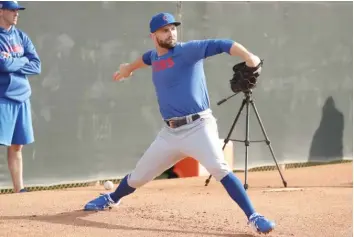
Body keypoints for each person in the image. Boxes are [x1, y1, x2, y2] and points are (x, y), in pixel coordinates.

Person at [84, 12, 275, 234]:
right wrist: (128, 68)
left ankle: (253, 216)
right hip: (170, 133)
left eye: (173, 28)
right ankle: (113, 198)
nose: (171, 32)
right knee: (139, 176)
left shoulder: (187, 51)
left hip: (198, 127)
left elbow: (223, 44)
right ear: (153, 35)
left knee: (220, 168)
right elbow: (145, 59)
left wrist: (248, 56)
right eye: (165, 30)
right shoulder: (154, 57)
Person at [0, 1, 41, 193]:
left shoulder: (21, 36)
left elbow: (36, 65)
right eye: (12, 10)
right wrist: (21, 60)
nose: (17, 14)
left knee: (17, 147)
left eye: (18, 10)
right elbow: (4, 66)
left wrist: (15, 61)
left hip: (22, 97)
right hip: (2, 98)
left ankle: (19, 190)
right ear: (1, 11)